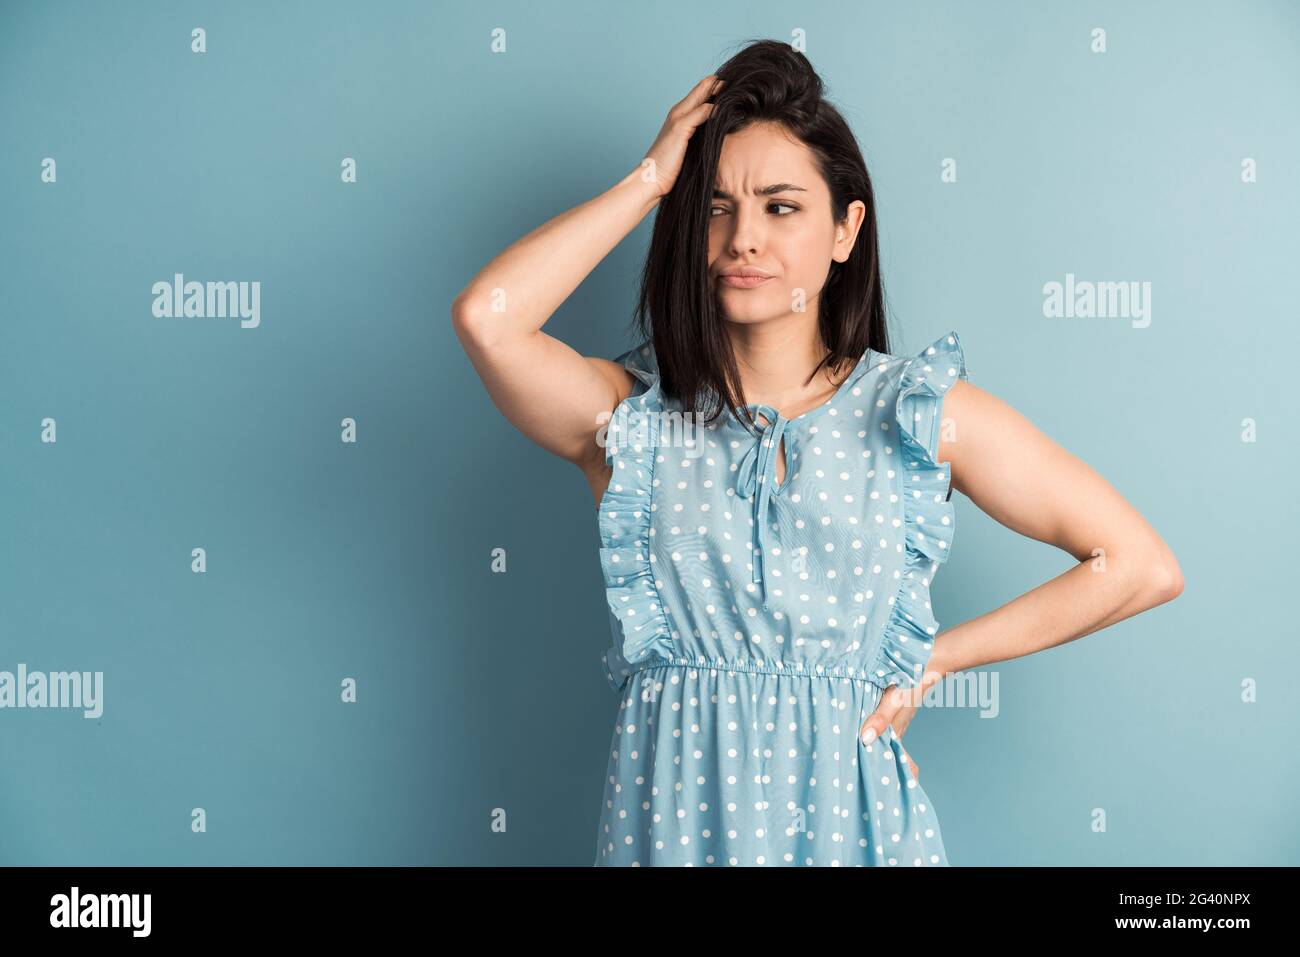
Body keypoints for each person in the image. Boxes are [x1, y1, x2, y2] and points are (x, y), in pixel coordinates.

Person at [451, 39, 1183, 866]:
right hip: (671, 836)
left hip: (855, 835)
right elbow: (489, 317)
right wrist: (652, 180)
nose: (743, 238)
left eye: (781, 206)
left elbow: (1138, 564)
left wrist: (939, 657)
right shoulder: (632, 420)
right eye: (717, 207)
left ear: (846, 229)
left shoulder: (913, 412)